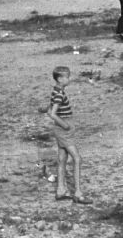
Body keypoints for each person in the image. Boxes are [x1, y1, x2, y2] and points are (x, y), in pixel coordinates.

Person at [46, 66, 93, 204]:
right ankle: (78, 193)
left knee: (62, 158)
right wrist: (65, 125)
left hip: (60, 129)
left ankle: (61, 190)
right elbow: (53, 113)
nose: (69, 79)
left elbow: (49, 110)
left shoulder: (56, 91)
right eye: (67, 77)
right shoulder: (60, 94)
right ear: (60, 79)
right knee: (77, 158)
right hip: (64, 129)